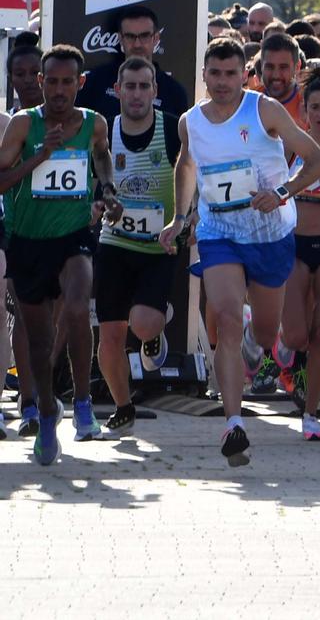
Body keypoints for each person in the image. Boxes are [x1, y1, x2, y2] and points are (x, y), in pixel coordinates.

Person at [179, 36, 320, 465]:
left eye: (231, 74)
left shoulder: (264, 110)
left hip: (269, 236)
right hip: (219, 233)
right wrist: (182, 216)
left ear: (244, 75)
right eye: (215, 74)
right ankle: (233, 423)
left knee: (265, 334)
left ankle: (261, 342)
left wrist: (283, 191)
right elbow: (186, 164)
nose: (223, 82)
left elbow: (318, 160)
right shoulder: (190, 121)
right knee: (226, 318)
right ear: (204, 76)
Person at [0, 45, 113, 462]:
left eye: (69, 82)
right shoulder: (21, 126)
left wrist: (110, 192)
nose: (60, 89)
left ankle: (83, 404)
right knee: (40, 342)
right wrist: (39, 158)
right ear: (41, 83)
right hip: (29, 241)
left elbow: (101, 159)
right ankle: (47, 410)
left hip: (74, 235)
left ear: (80, 84)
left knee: (78, 307)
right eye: (53, 81)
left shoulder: (94, 124)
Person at [95, 56, 185, 435]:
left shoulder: (170, 131)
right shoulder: (105, 132)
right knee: (111, 334)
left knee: (143, 325)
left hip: (156, 248)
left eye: (143, 86)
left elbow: (190, 177)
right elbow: (93, 182)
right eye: (128, 86)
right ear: (118, 90)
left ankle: (156, 330)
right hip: (114, 243)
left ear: (154, 91)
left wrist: (186, 217)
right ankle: (123, 405)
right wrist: (98, 203)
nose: (135, 94)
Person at [275, 69, 320, 440]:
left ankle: (312, 413)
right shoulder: (292, 146)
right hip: (295, 243)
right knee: (297, 334)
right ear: (304, 111)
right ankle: (280, 345)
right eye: (315, 107)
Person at [78, 4, 191, 118]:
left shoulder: (175, 92)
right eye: (130, 36)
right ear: (120, 39)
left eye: (144, 36)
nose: (137, 44)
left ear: (156, 38)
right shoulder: (94, 82)